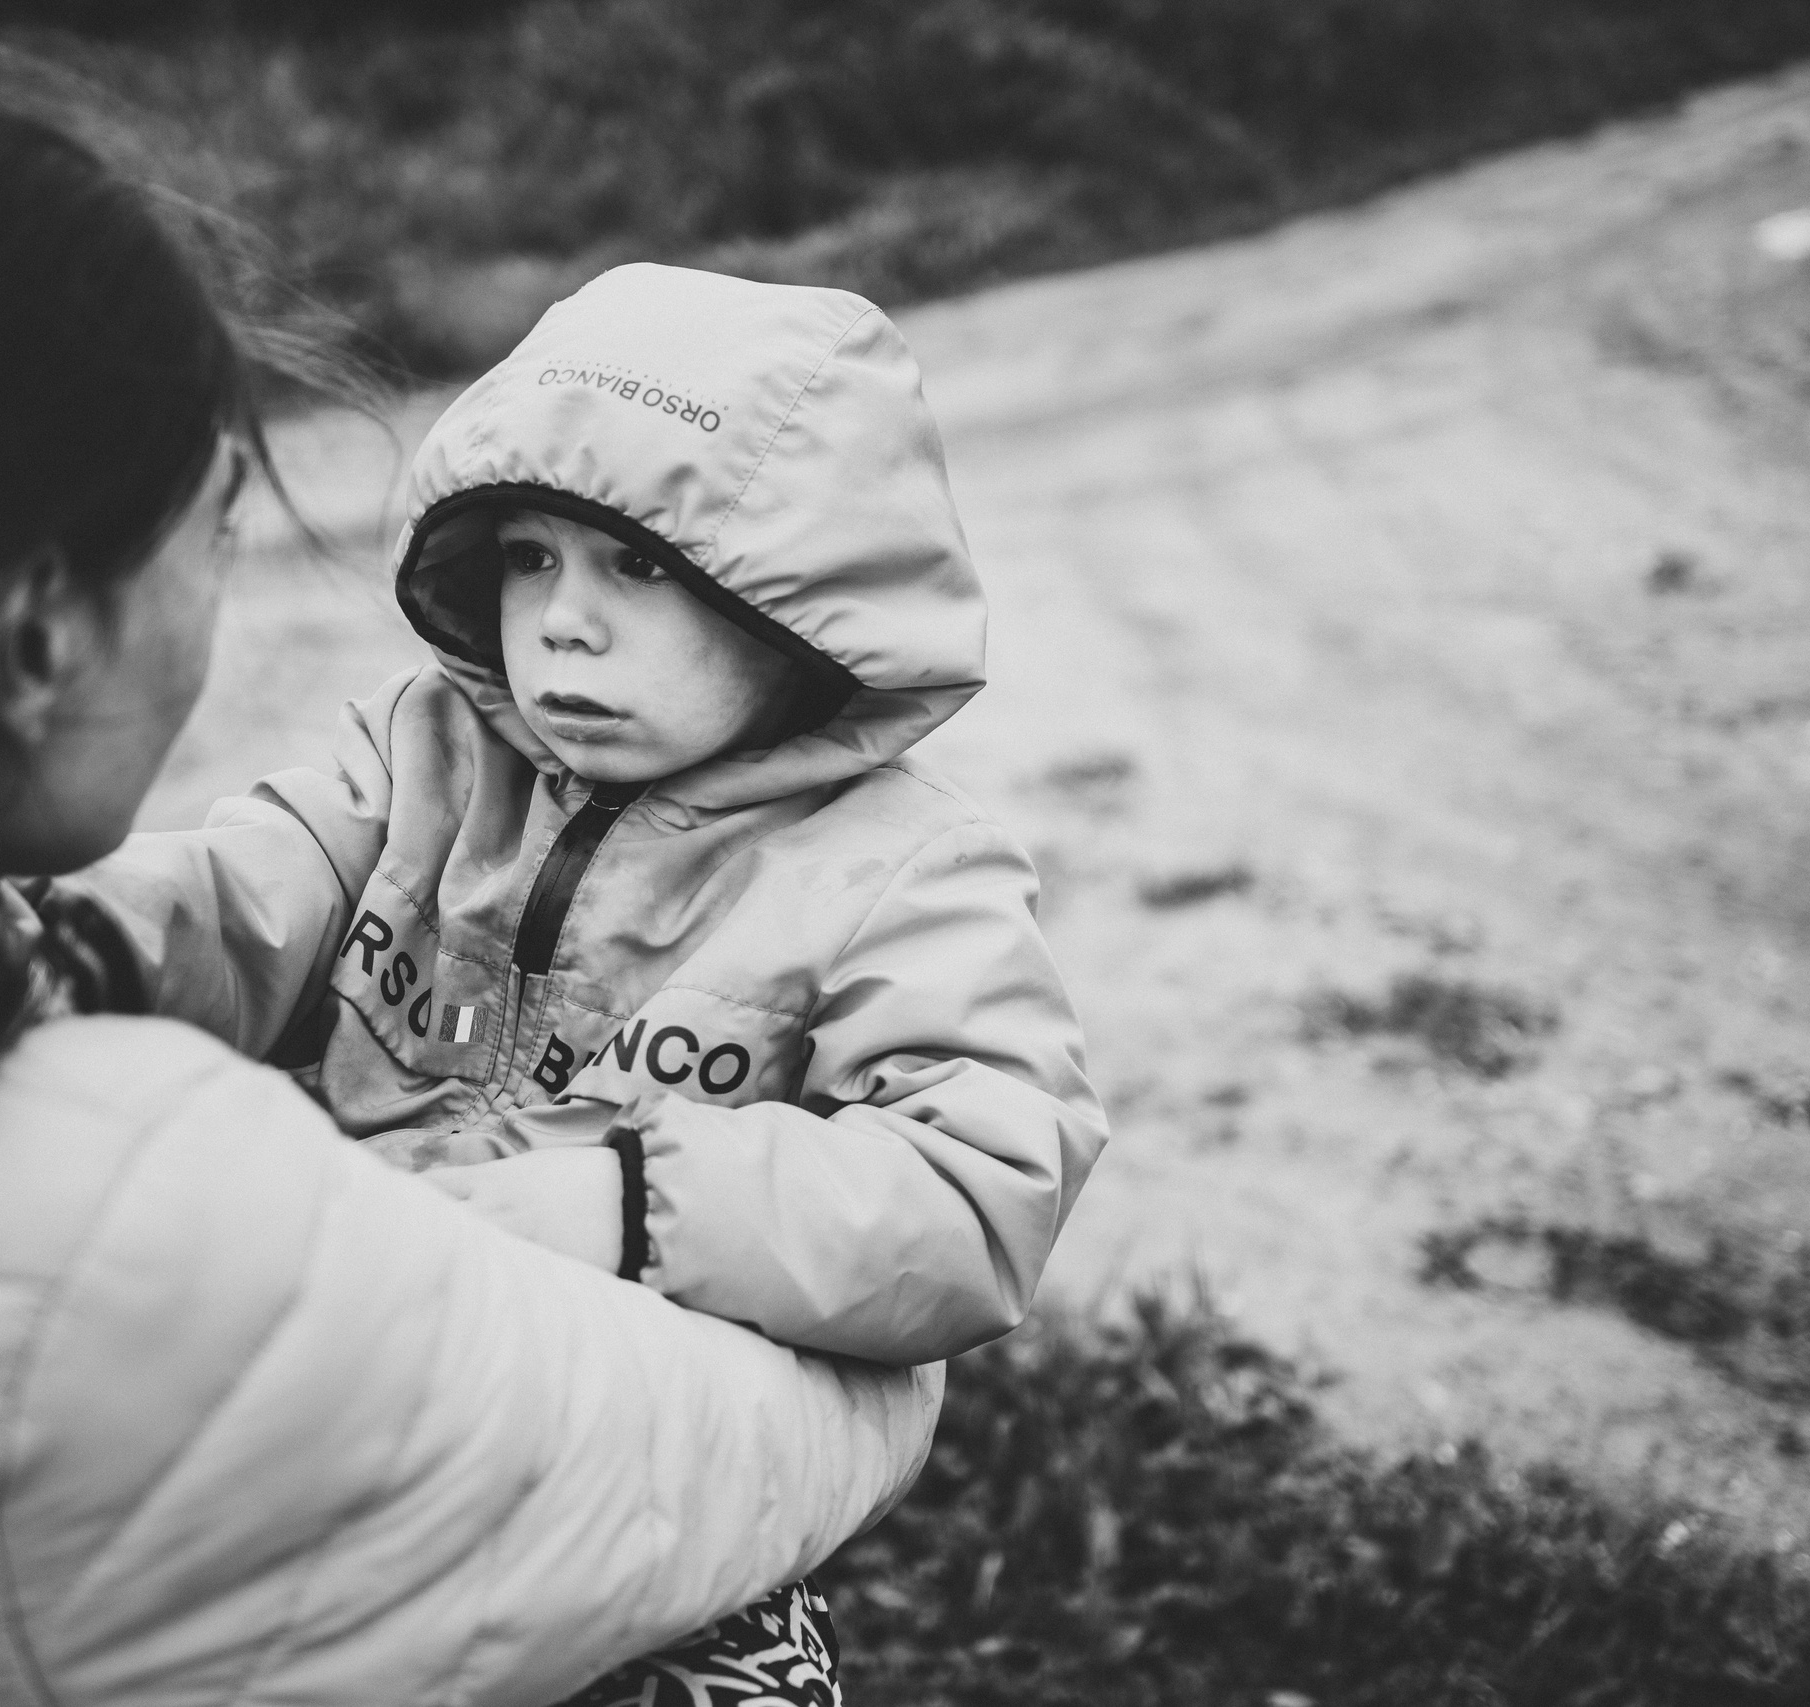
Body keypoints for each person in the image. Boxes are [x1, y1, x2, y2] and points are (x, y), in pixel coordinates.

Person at [0, 35, 938, 1707]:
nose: (557, 622)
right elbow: (692, 1460)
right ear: (37, 632)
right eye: (215, 528)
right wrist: (887, 1374)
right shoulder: (125, 1208)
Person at [66, 261, 1110, 1704]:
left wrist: (629, 1205)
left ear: (801, 609)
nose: (564, 621)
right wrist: (86, 942)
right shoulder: (432, 753)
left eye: (646, 568)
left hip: (640, 1460)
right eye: (532, 556)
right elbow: (262, 886)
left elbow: (980, 1186)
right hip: (350, 1376)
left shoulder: (903, 874)